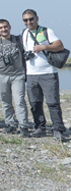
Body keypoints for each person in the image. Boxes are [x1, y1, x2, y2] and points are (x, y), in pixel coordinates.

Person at [21, 9, 67, 140]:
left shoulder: (46, 31)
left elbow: (60, 46)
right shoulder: (23, 33)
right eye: (25, 20)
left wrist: (44, 47)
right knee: (35, 103)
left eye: (31, 19)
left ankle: (58, 129)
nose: (28, 22)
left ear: (37, 18)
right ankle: (39, 127)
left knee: (53, 103)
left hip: (48, 73)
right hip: (31, 74)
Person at [0, 19, 30, 137]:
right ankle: (10, 124)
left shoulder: (18, 40)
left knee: (19, 101)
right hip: (1, 76)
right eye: (1, 28)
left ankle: (23, 126)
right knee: (6, 102)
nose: (4, 29)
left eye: (5, 27)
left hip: (18, 75)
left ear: (10, 27)